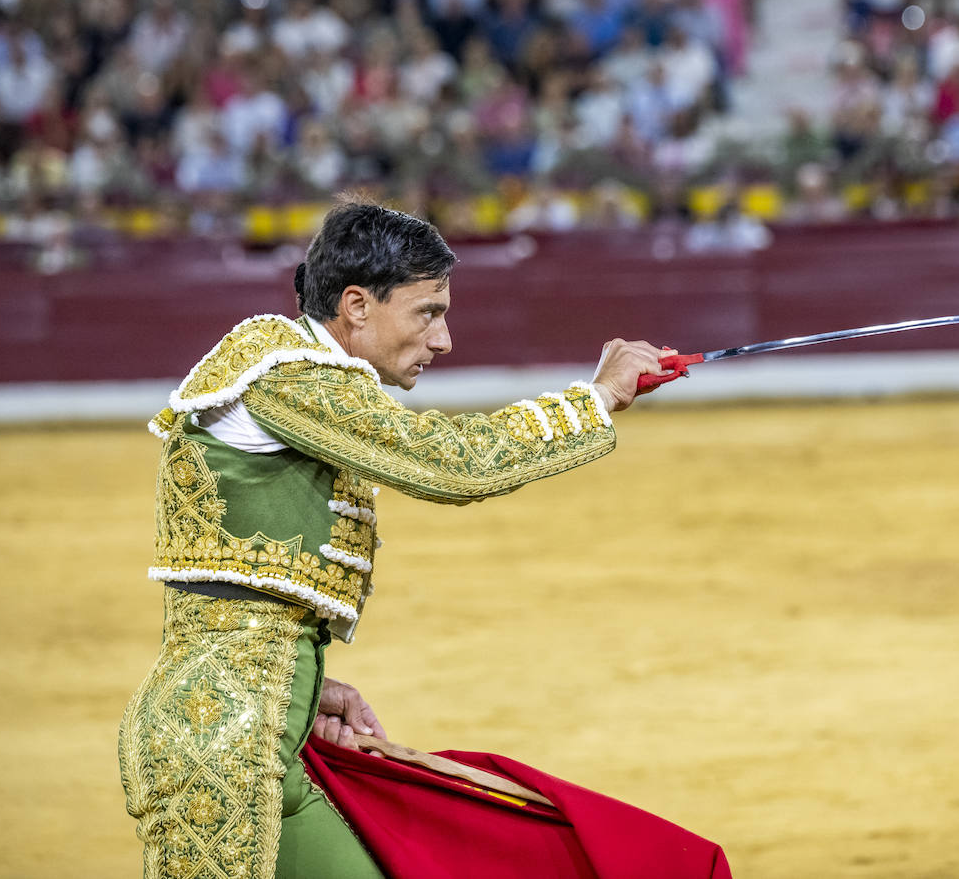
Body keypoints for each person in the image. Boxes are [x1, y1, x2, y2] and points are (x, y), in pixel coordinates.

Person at [117, 199, 669, 877]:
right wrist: (596, 399)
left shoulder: (293, 375)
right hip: (222, 747)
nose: (443, 341)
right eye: (428, 312)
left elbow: (231, 590)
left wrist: (303, 680)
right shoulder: (284, 371)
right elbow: (450, 462)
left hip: (256, 731)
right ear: (356, 305)